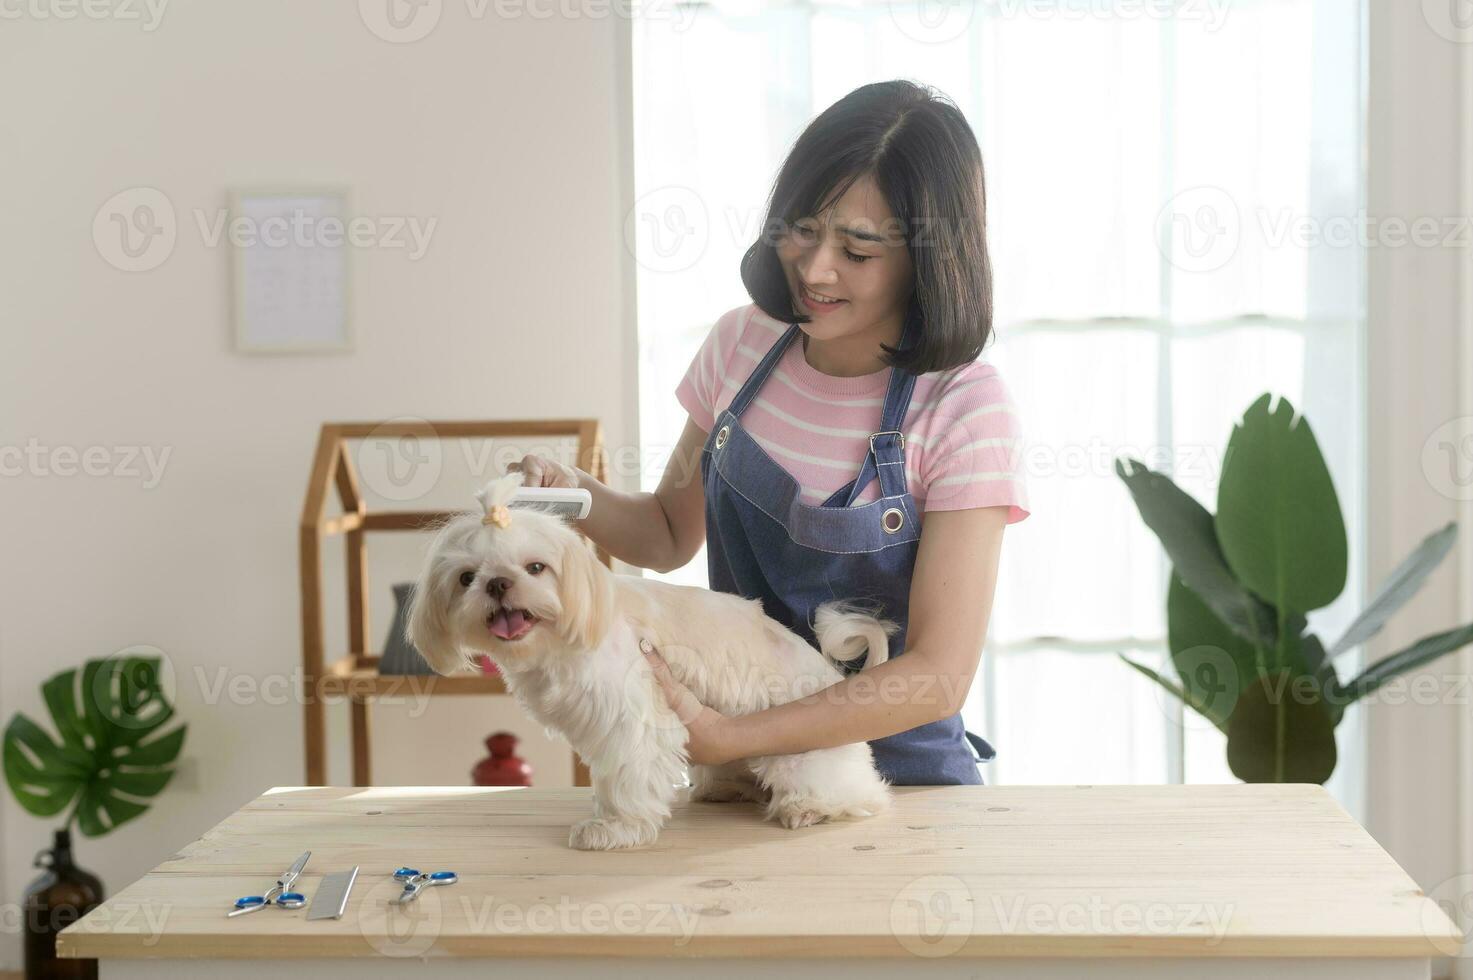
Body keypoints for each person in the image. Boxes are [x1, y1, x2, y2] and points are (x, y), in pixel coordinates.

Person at [512, 79, 1030, 785]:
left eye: (857, 249)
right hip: (742, 780)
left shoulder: (963, 405)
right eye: (804, 229)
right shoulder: (741, 345)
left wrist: (730, 736)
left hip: (902, 786)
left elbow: (936, 675)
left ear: (925, 260)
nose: (815, 270)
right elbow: (665, 534)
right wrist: (572, 494)